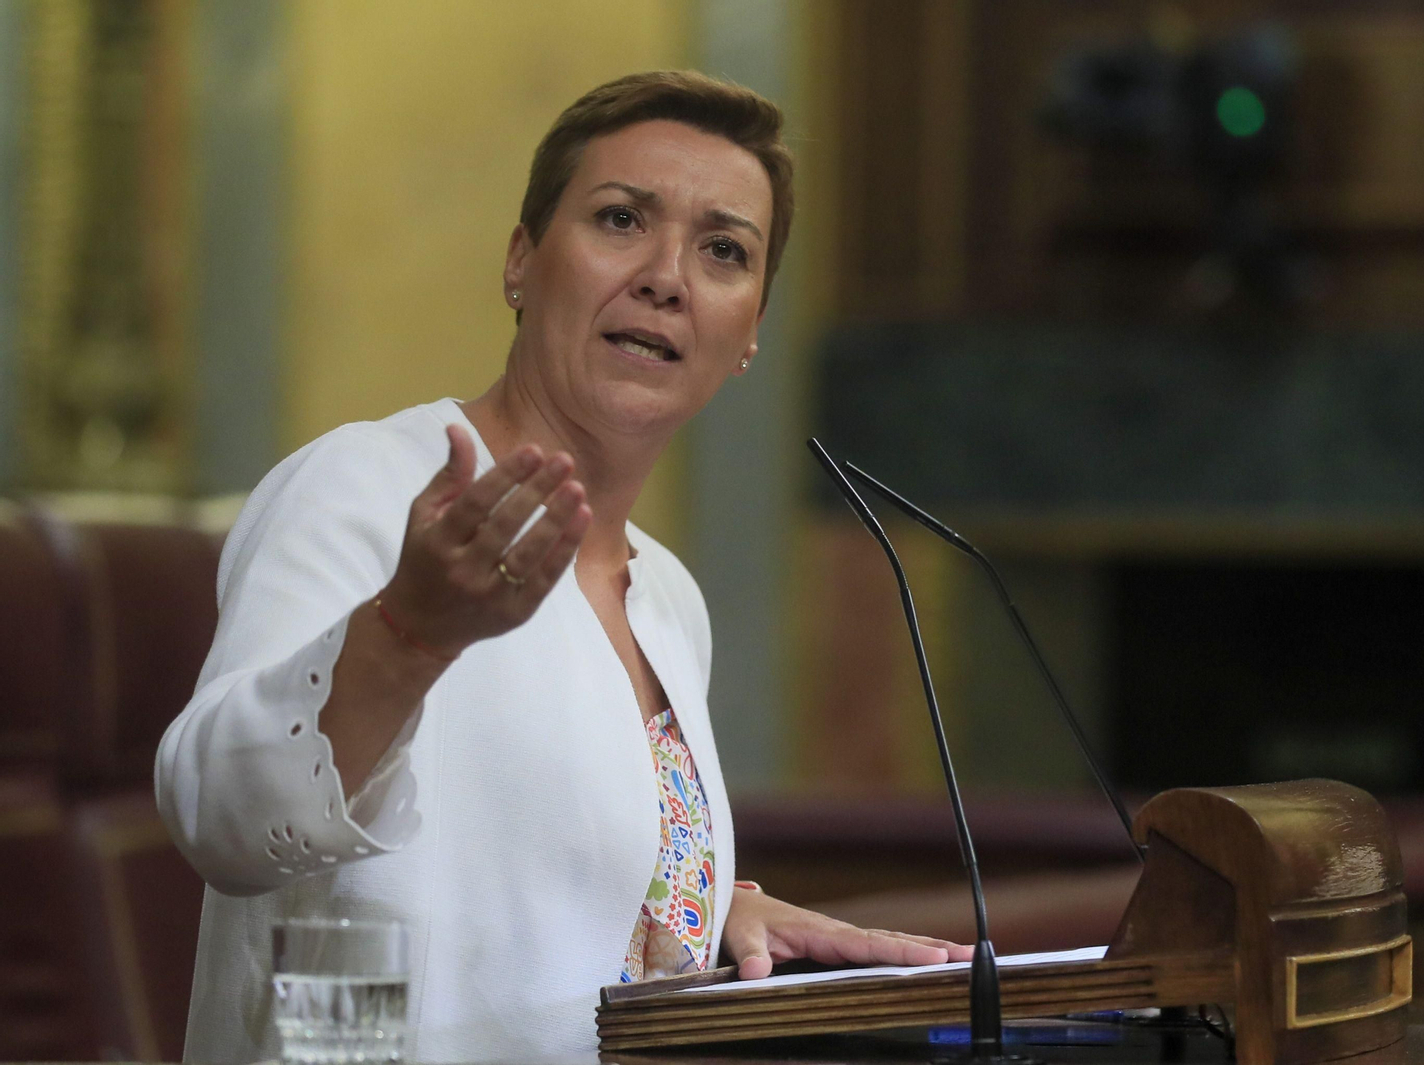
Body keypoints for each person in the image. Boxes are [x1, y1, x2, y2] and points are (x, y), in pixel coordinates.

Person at [156, 70, 970, 1064]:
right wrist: (407, 634)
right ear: (520, 261)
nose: (667, 276)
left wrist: (708, 907)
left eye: (723, 249)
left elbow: (536, 876)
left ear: (751, 331)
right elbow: (223, 820)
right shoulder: (365, 487)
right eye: (622, 219)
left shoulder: (667, 597)